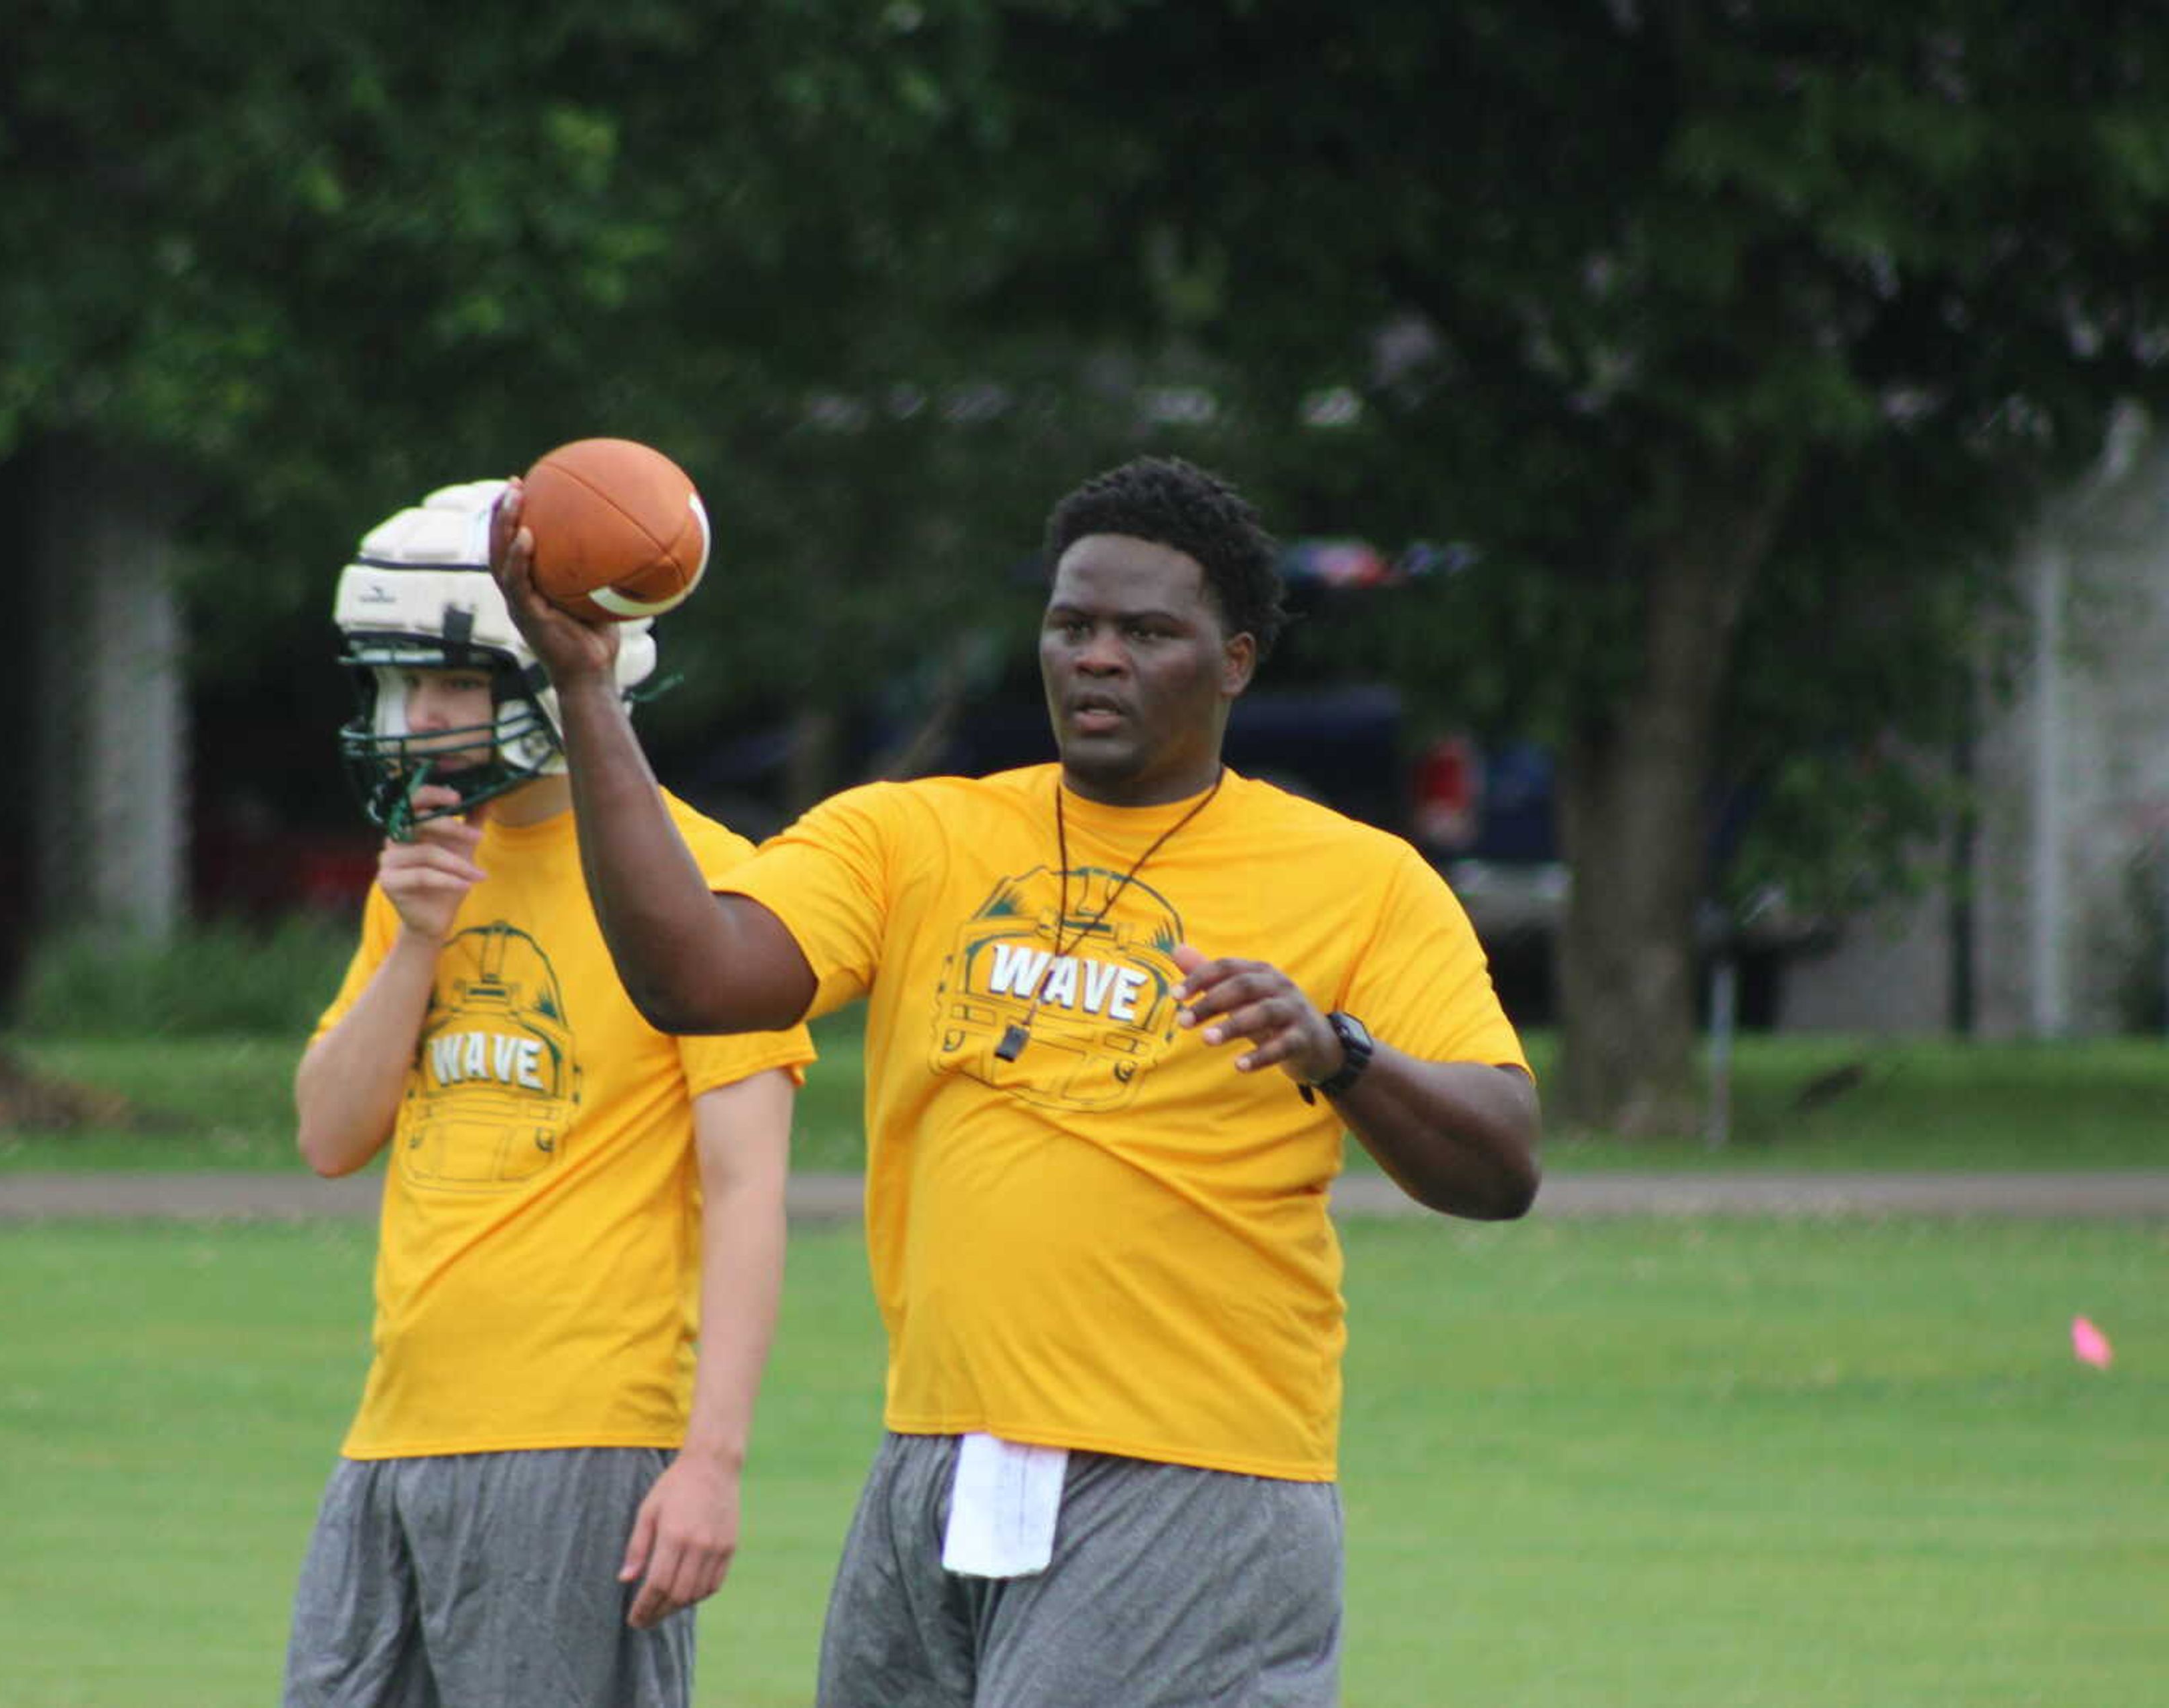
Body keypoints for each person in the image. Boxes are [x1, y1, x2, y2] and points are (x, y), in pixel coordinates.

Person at [490, 454, 1542, 1707]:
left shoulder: (1358, 879)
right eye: (1072, 625)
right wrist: (588, 692)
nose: (1097, 656)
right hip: (935, 1464)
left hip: (1189, 1475)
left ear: (1237, 661)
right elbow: (696, 979)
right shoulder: (914, 834)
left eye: (1147, 632)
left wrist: (1342, 1052)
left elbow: (1502, 1159)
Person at [280, 482, 816, 1708]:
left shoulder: (706, 886)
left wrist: (711, 1462)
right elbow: (327, 1134)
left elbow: (747, 1189)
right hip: (393, 1437)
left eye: (452, 684)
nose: (415, 717)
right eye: (399, 682)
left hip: (579, 1441)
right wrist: (417, 939)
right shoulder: (421, 869)